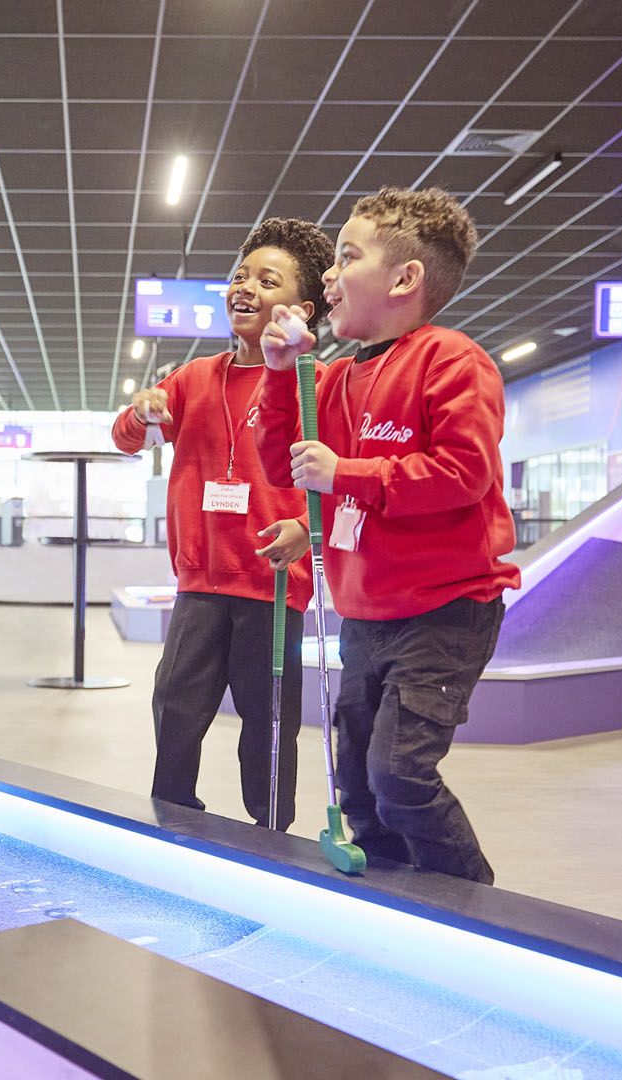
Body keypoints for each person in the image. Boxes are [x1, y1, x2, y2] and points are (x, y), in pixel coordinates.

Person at [255, 187, 517, 884]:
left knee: (400, 773)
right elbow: (281, 458)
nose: (329, 276)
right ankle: (395, 904)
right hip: (366, 615)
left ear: (404, 279)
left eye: (347, 257)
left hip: (445, 612)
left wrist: (348, 472)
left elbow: (463, 472)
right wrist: (282, 375)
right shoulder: (335, 377)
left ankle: (475, 912)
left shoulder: (453, 361)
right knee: (359, 787)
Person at [111, 218, 332, 830]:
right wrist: (140, 411)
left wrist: (306, 532)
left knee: (267, 728)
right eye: (240, 275)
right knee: (175, 708)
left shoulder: (314, 385)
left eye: (268, 279)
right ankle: (172, 820)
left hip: (270, 587)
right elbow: (128, 438)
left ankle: (272, 837)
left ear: (301, 308)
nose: (246, 287)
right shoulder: (193, 378)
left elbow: (335, 481)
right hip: (200, 583)